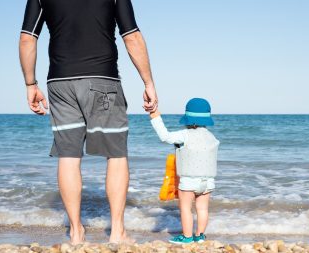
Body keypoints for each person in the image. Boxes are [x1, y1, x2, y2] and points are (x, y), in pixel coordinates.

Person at [19, 0, 158, 244]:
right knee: (115, 154)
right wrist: (148, 83)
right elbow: (131, 36)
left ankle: (76, 232)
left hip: (60, 83)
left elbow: (27, 39)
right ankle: (117, 232)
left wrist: (30, 84)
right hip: (103, 78)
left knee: (69, 156)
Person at [149, 98, 220, 244]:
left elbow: (165, 136)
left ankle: (187, 237)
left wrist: (154, 115)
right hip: (208, 181)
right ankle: (200, 236)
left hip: (189, 180)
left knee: (185, 209)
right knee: (202, 209)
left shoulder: (184, 135)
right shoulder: (212, 137)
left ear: (188, 119)